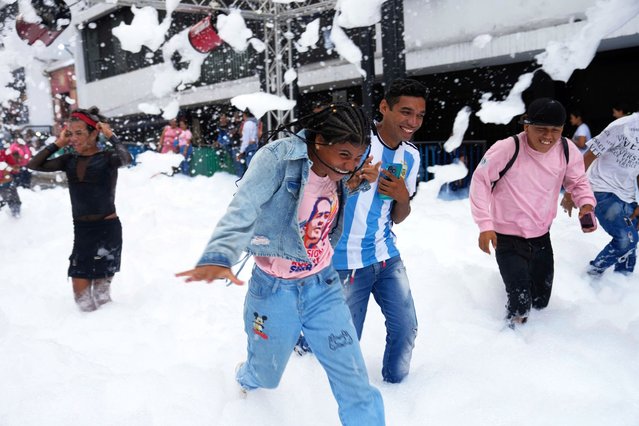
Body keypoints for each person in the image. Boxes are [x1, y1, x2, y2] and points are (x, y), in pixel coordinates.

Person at [175, 103, 385, 425]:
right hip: (274, 291)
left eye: (358, 158)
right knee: (266, 374)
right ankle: (247, 377)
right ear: (319, 142)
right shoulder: (278, 159)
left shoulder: (341, 170)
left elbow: (322, 205)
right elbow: (243, 208)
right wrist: (219, 255)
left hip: (324, 287)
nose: (351, 165)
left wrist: (356, 180)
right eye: (345, 156)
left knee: (355, 382)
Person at [312, 78, 426, 385]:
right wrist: (353, 181)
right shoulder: (354, 142)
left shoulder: (411, 156)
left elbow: (399, 217)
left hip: (385, 255)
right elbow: (318, 198)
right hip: (341, 261)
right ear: (384, 107)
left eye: (419, 115)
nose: (412, 122)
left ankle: (398, 392)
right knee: (344, 341)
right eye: (405, 112)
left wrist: (402, 196)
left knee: (406, 328)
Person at [470, 98, 596, 328]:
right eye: (541, 129)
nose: (548, 136)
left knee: (540, 302)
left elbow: (577, 181)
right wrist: (485, 224)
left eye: (555, 130)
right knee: (520, 305)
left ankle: (534, 332)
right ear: (526, 126)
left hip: (541, 236)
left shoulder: (567, 150)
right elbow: (480, 181)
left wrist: (586, 205)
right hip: (507, 238)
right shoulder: (507, 148)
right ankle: (511, 342)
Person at [27, 107, 132, 312]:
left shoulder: (108, 158)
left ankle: (108, 333)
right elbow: (34, 164)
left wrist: (111, 135)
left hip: (107, 230)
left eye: (79, 133)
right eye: (70, 133)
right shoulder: (69, 161)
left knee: (101, 296)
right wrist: (58, 143)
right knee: (81, 296)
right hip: (82, 231)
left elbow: (126, 158)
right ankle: (88, 334)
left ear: (94, 133)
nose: (73, 138)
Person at [562, 110, 639, 276]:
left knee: (630, 250)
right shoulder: (623, 126)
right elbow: (588, 156)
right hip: (601, 189)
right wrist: (570, 191)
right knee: (626, 240)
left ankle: (620, 288)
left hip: (628, 195)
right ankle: (591, 276)